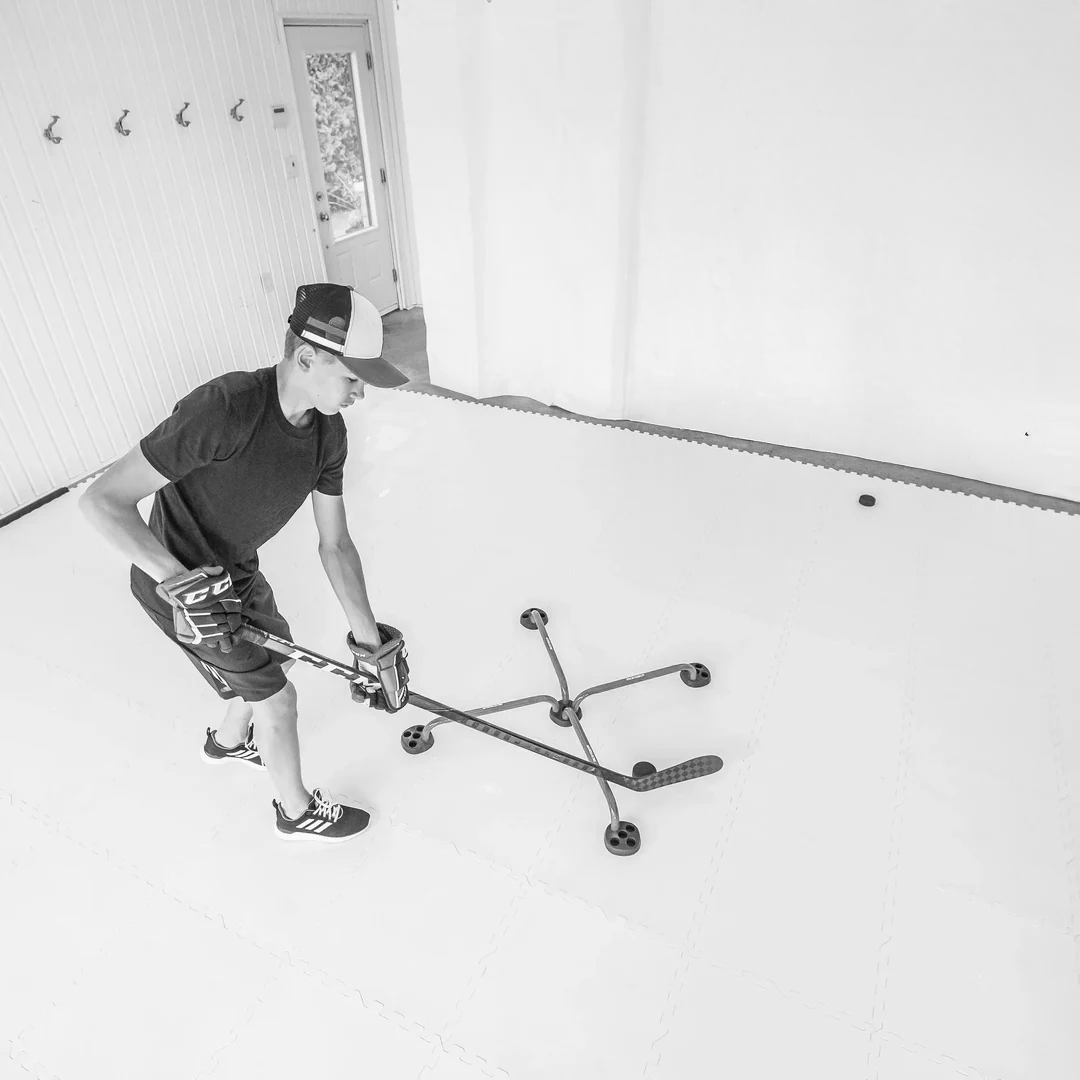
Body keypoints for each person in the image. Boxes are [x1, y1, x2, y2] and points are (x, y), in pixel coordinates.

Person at [79, 283, 411, 843]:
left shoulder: (329, 433)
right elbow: (101, 500)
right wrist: (178, 582)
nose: (361, 390)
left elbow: (335, 545)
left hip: (237, 574)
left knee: (269, 670)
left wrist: (369, 644)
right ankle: (295, 811)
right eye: (352, 375)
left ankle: (227, 743)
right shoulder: (226, 408)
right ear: (306, 357)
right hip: (182, 589)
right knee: (278, 700)